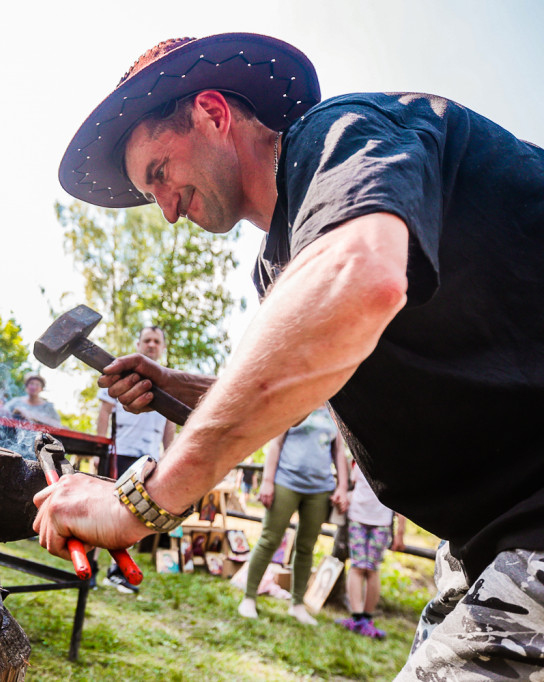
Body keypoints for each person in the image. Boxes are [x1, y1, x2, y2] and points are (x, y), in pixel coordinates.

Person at [33, 32, 544, 679]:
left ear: (213, 115)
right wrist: (182, 386)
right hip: (487, 537)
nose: (163, 210)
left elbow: (360, 280)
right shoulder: (280, 265)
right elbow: (323, 377)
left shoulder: (341, 137)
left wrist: (139, 501)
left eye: (159, 173)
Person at [237, 407, 349, 625]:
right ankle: (249, 598)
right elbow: (276, 443)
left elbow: (338, 452)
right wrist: (268, 482)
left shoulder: (334, 410)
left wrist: (342, 487)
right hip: (285, 483)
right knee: (270, 539)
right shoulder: (298, 399)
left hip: (320, 489)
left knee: (306, 546)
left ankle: (297, 604)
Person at [96, 326, 176, 593]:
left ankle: (117, 572)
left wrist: (170, 456)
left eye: (157, 341)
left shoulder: (169, 381)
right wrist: (99, 447)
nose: (152, 345)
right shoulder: (121, 374)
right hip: (118, 450)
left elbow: (169, 426)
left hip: (148, 458)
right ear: (139, 344)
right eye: (147, 340)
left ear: (163, 347)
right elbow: (105, 412)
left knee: (133, 515)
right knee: (102, 509)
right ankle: (90, 568)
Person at [337, 463, 406, 639]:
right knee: (357, 566)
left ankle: (367, 618)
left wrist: (400, 533)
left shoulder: (394, 464)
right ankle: (357, 617)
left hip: (381, 522)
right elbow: (356, 487)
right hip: (357, 518)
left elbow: (400, 500)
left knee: (372, 569)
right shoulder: (357, 458)